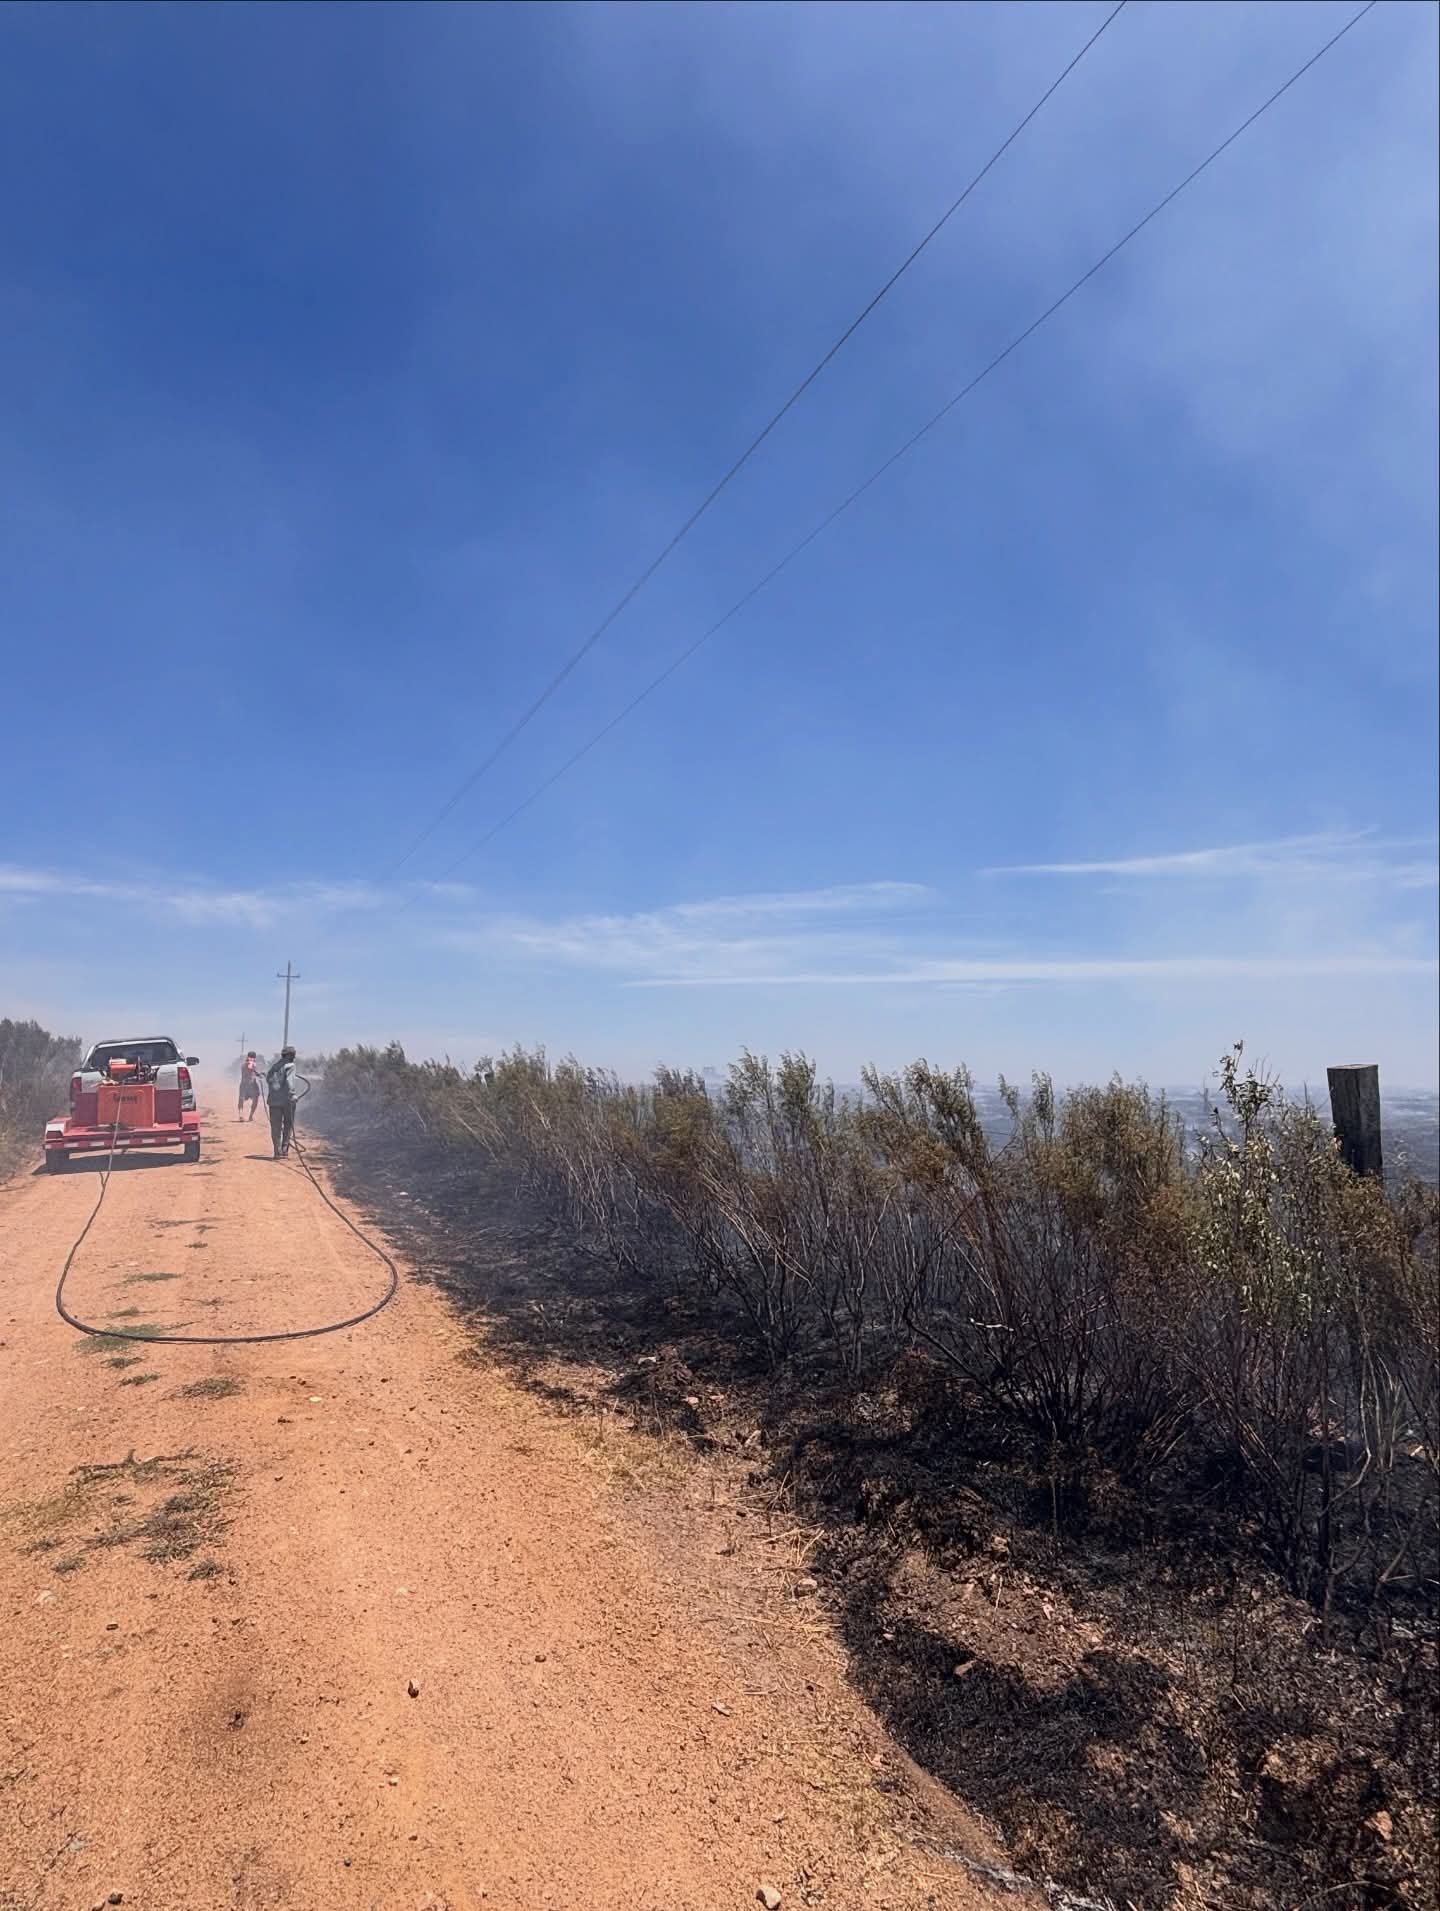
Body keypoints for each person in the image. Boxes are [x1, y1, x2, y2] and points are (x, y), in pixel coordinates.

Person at [266, 1046, 299, 1158]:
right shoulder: (291, 1065)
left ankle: (277, 1151)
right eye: (293, 1054)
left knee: (275, 1126)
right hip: (287, 1101)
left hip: (273, 1100)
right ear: (289, 1055)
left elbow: (268, 1079)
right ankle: (284, 1150)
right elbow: (290, 1082)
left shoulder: (274, 1066)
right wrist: (292, 1094)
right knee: (288, 1124)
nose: (294, 1056)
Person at [237, 1051, 264, 1122]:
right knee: (255, 1099)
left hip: (244, 1084)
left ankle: (241, 1114)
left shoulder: (243, 1064)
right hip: (251, 1085)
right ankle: (250, 1116)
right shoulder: (251, 1062)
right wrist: (258, 1074)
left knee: (241, 1099)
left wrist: (258, 1074)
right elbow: (250, 1068)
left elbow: (251, 1070)